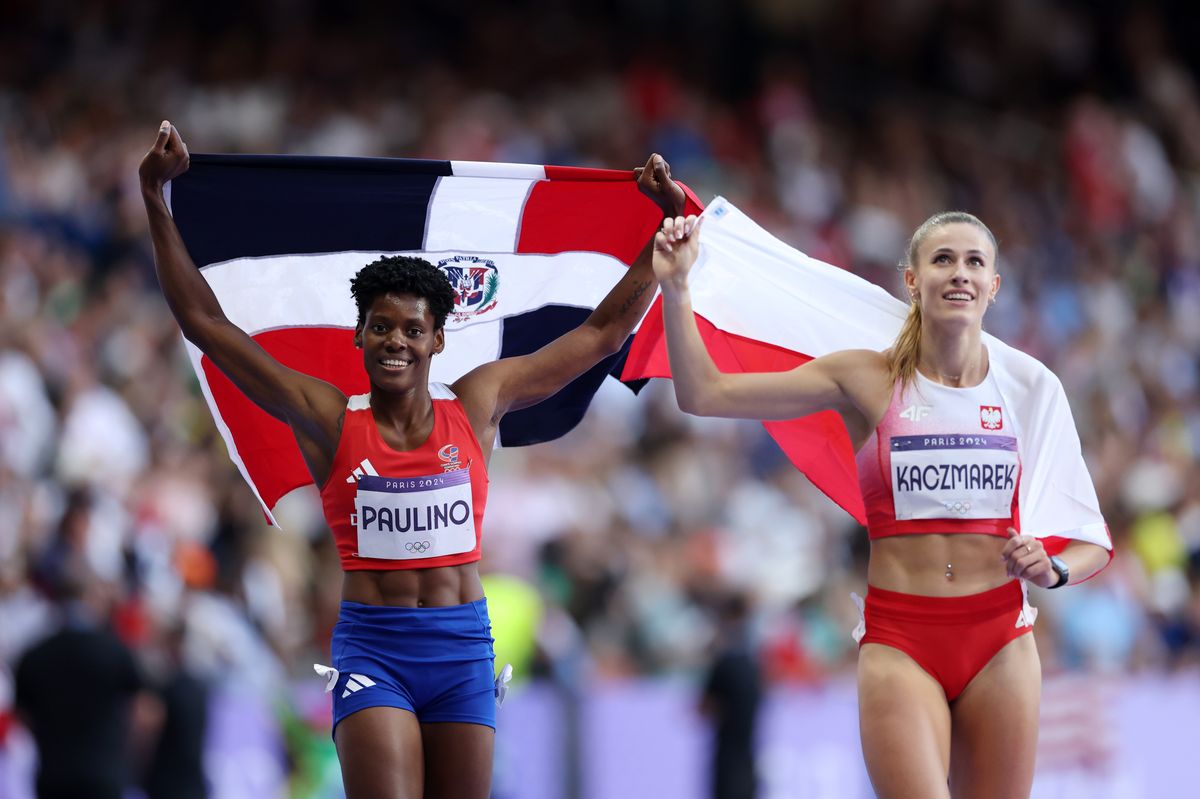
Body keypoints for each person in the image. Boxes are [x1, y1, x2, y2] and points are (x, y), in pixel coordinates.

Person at [139, 120, 684, 799]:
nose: (396, 340)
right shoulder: (328, 416)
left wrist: (663, 234)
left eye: (412, 329)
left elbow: (600, 333)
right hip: (376, 651)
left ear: (437, 339)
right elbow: (208, 325)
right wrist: (156, 201)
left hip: (462, 650)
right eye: (381, 326)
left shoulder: (480, 400)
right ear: (361, 335)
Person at [651, 211, 1111, 798]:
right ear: (912, 280)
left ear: (994, 286)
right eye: (942, 259)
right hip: (902, 642)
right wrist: (678, 285)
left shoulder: (1031, 386)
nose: (960, 274)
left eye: (975, 262)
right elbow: (704, 394)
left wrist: (1054, 568)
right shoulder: (863, 377)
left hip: (1001, 641)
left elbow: (1089, 537)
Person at [699, 591, 762, 799]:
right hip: (748, 764)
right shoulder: (753, 666)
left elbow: (705, 707)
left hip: (728, 763)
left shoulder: (724, 664)